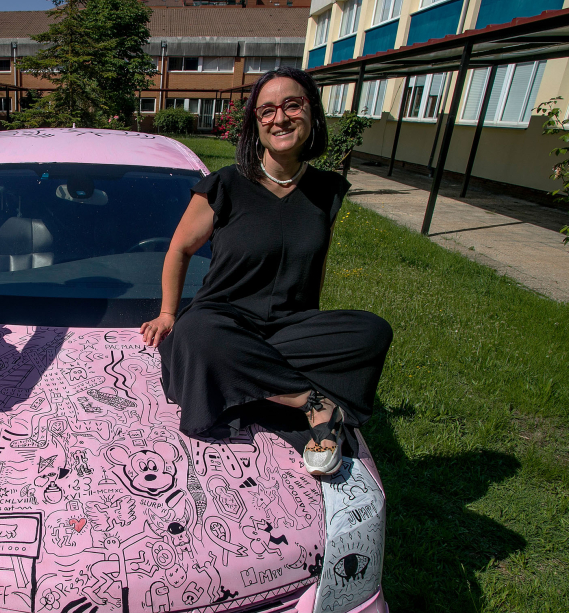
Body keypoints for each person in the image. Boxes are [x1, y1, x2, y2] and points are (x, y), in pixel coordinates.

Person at [139, 68, 392, 476]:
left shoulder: (327, 190)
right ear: (255, 125)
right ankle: (312, 402)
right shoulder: (224, 185)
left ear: (312, 113)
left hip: (289, 325)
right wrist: (169, 313)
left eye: (292, 105)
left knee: (371, 332)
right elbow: (180, 247)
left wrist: (312, 326)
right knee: (198, 337)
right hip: (224, 321)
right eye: (267, 111)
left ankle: (244, 381)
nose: (280, 118)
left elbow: (317, 261)